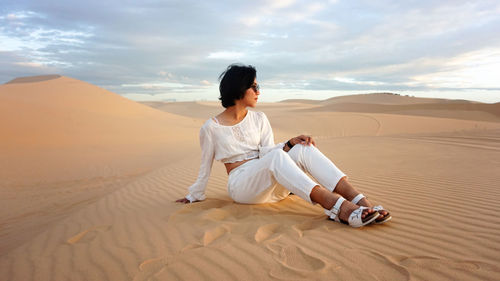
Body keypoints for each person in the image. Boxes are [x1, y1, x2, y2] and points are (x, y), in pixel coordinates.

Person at [176, 64, 391, 227]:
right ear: (239, 89)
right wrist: (194, 194)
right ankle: (339, 207)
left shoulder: (259, 118)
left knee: (303, 148)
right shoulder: (210, 127)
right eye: (254, 86)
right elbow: (205, 167)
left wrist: (289, 144)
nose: (259, 91)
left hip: (273, 185)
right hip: (243, 188)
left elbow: (268, 153)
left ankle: (361, 202)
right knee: (278, 157)